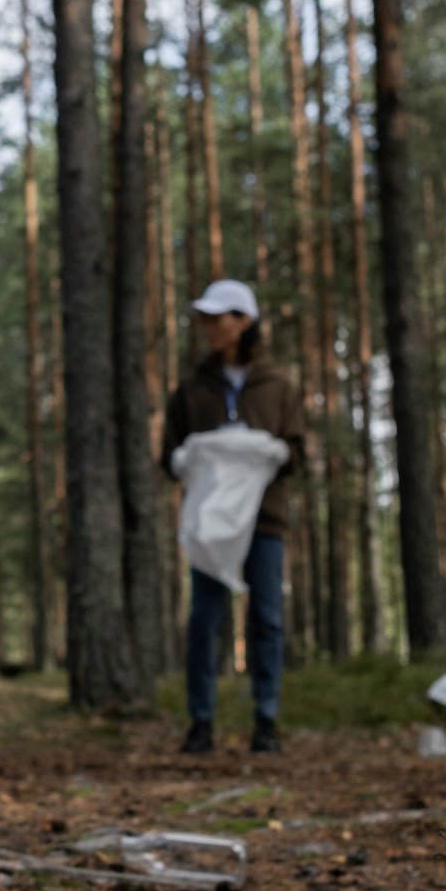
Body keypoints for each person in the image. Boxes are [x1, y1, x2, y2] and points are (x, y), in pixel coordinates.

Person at [161, 280, 306, 755]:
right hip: (209, 525)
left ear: (243, 321)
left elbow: (299, 453)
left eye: (216, 318)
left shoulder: (278, 386)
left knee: (266, 618)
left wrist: (272, 453)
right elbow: (169, 454)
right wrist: (184, 460)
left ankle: (266, 719)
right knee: (205, 619)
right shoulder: (191, 389)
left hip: (264, 522)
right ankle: (200, 722)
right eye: (203, 318)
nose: (207, 327)